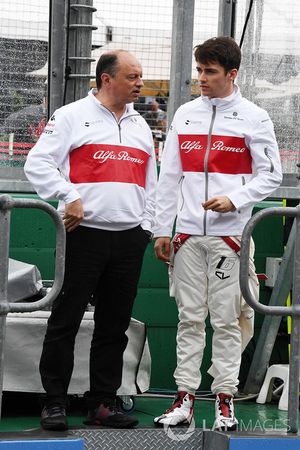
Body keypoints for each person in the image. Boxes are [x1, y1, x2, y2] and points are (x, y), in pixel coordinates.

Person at [153, 37, 282, 430]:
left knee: (228, 321)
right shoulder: (185, 114)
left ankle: (224, 399)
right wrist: (162, 229)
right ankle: (184, 399)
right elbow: (169, 175)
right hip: (187, 238)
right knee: (189, 319)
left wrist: (235, 199)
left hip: (232, 238)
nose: (202, 79)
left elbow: (272, 175)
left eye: (210, 72)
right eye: (199, 71)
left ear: (232, 74)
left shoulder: (255, 117)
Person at [24, 50, 157, 431]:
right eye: (132, 76)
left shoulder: (141, 126)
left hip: (129, 240)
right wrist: (70, 196)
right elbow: (38, 163)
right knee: (64, 321)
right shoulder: (69, 116)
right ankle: (54, 402)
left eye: (140, 76)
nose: (139, 83)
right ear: (106, 79)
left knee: (114, 326)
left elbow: (151, 183)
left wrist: (145, 227)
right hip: (82, 237)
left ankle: (101, 403)